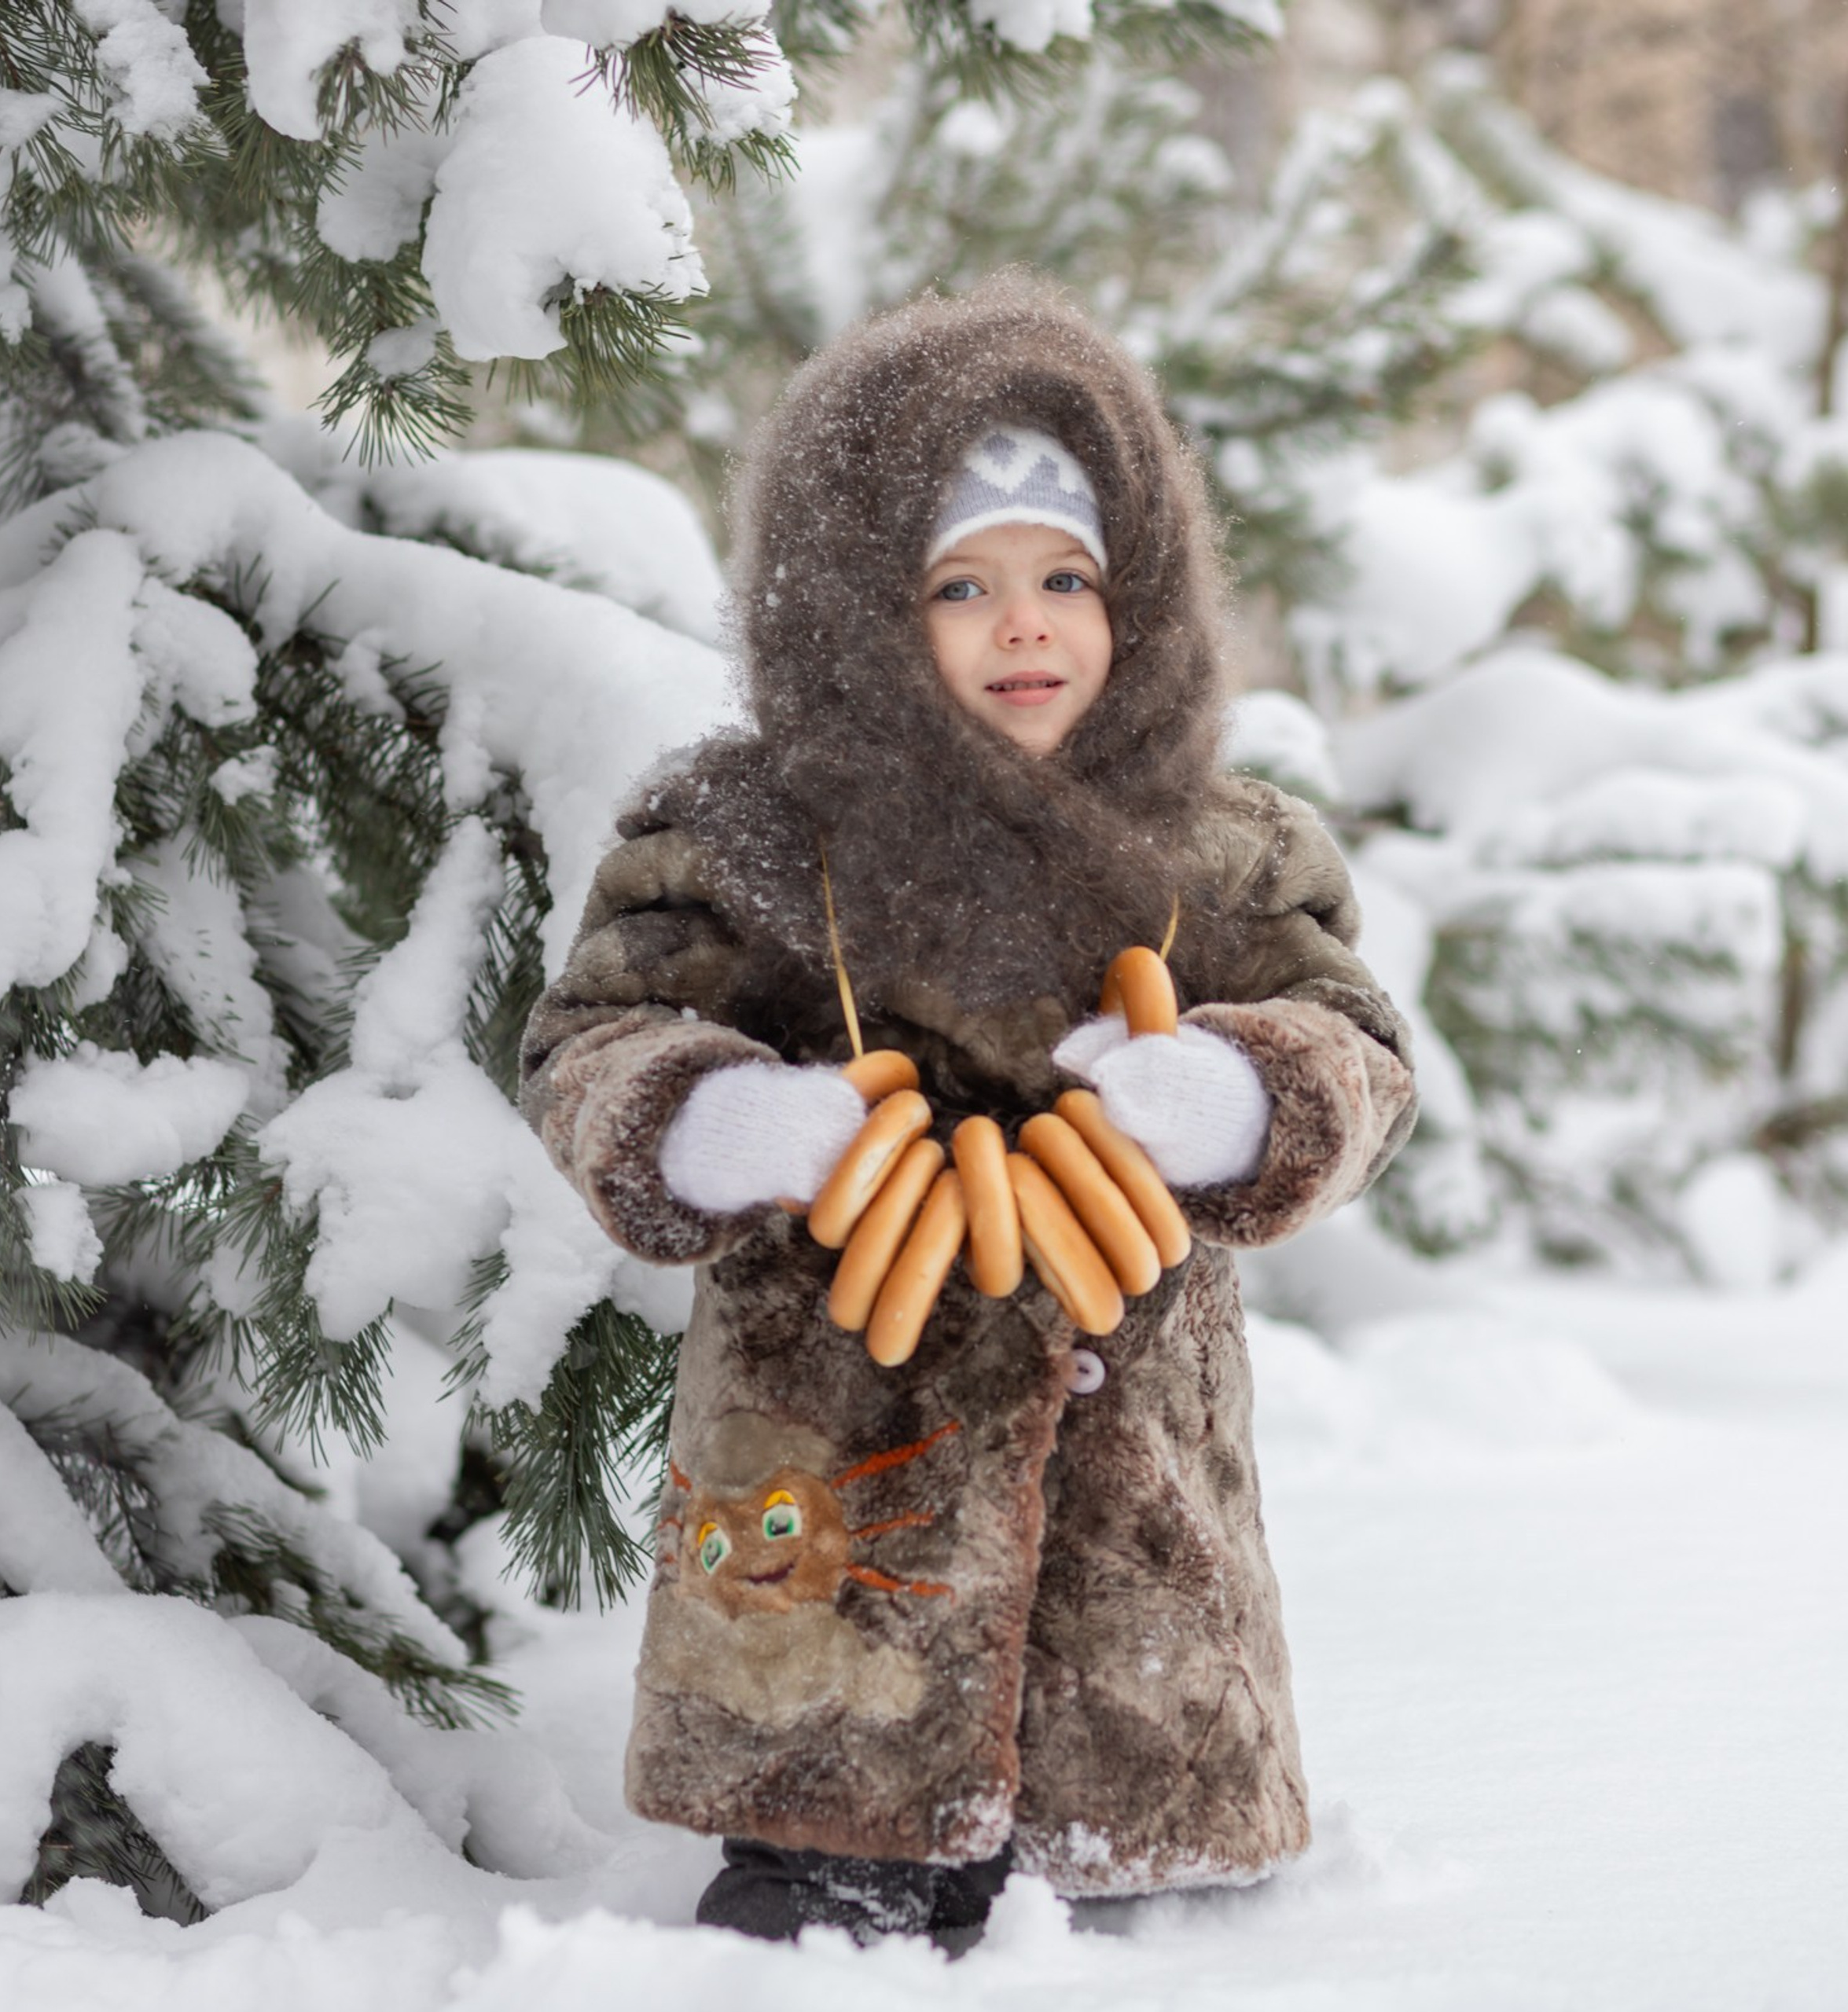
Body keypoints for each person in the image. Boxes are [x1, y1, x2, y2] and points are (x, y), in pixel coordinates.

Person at [519, 275, 1417, 1944]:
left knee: (1163, 1905)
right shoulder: (742, 846)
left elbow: (1354, 1042)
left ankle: (1126, 1817)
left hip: (1138, 1596)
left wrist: (1239, 1096)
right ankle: (831, 1832)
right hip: (831, 1538)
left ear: (1137, 594)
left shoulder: (1219, 850)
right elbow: (590, 1037)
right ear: (853, 608)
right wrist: (713, 1122)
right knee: (810, 1877)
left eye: (1067, 577)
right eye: (961, 584)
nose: (1027, 625)